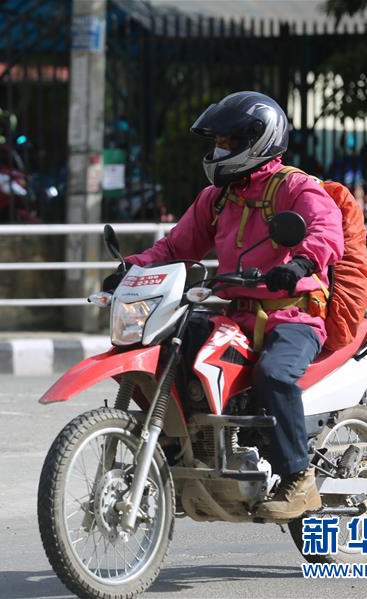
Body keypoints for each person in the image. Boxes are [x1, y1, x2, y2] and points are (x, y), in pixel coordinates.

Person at [104, 91, 344, 520]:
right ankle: (183, 445)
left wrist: (300, 263)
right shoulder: (217, 198)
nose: (219, 151)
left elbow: (326, 231)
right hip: (236, 315)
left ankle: (297, 480)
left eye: (229, 143)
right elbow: (175, 246)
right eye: (217, 142)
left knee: (274, 374)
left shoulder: (295, 186)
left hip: (293, 314)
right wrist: (130, 268)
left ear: (259, 140)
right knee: (172, 344)